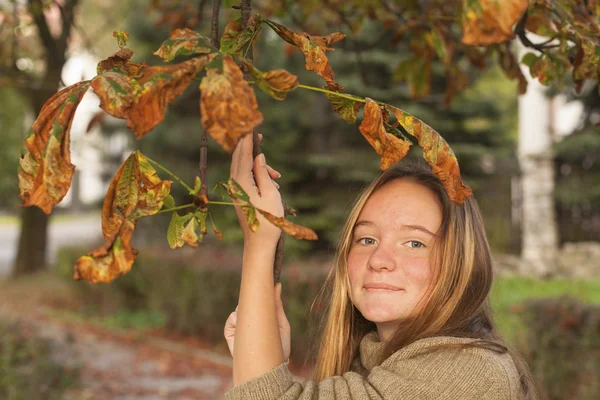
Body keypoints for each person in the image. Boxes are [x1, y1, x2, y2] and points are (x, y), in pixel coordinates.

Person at [223, 133, 537, 399]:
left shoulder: (469, 371)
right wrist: (263, 354)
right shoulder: (373, 364)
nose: (379, 261)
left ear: (460, 265)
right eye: (367, 239)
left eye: (414, 243)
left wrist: (260, 240)